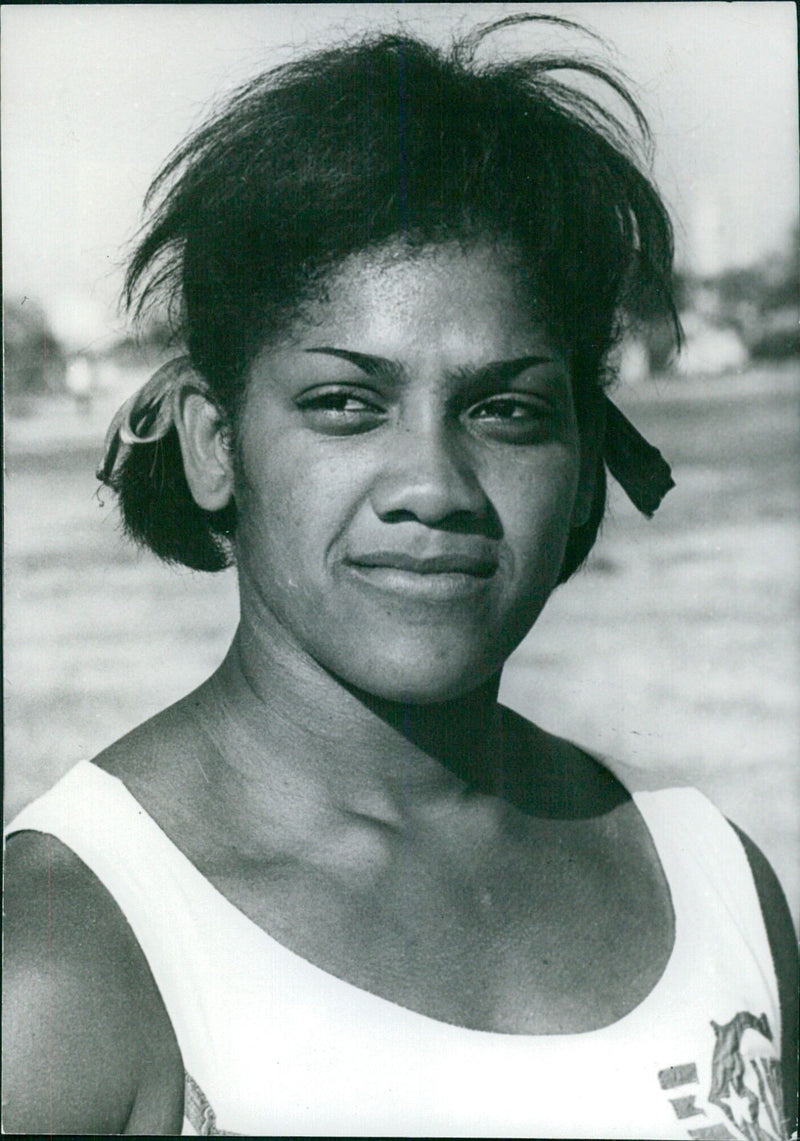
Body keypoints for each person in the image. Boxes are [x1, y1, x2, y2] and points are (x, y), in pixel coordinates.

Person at [4, 14, 797, 1138]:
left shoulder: (717, 888)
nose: (433, 482)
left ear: (584, 468)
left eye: (506, 409)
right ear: (212, 443)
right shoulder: (68, 951)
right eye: (343, 402)